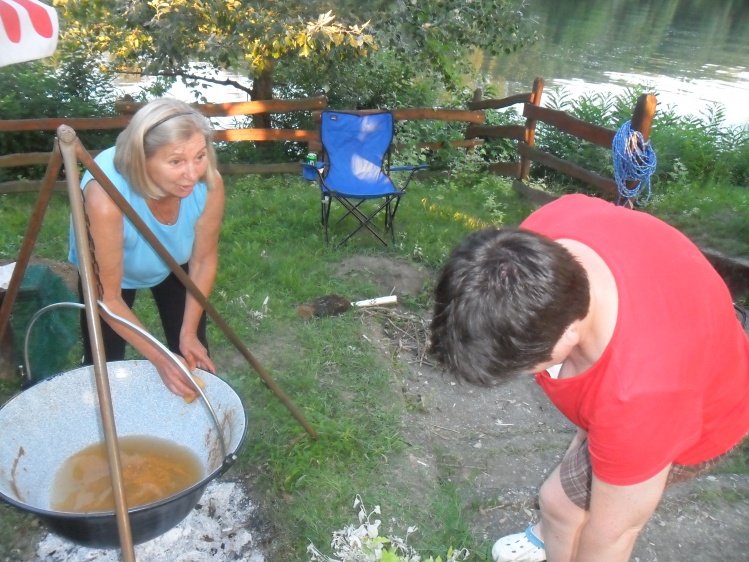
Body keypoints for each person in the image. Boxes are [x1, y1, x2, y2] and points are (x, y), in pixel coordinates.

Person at [429, 193, 749, 562]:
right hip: (684, 330)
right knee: (569, 494)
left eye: (524, 366)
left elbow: (614, 535)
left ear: (569, 334)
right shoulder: (538, 239)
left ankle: (558, 527)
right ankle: (556, 533)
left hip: (708, 412)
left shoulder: (641, 395)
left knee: (559, 504)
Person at [69, 98, 225, 399]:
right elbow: (108, 298)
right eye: (176, 161)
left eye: (199, 156)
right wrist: (160, 357)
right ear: (142, 159)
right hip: (111, 278)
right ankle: (110, 420)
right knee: (105, 365)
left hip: (173, 262)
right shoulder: (105, 198)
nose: (192, 174)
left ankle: (189, 421)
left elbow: (203, 261)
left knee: (190, 349)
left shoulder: (208, 184)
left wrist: (188, 333)